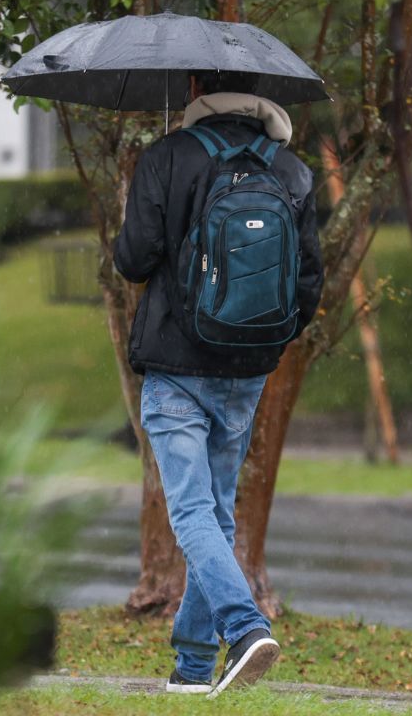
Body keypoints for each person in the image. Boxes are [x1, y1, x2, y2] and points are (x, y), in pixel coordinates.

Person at [113, 71, 324, 697]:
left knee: (191, 512)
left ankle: (243, 625)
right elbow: (307, 284)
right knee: (217, 517)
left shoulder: (168, 156)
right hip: (247, 370)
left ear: (200, 90)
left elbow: (132, 259)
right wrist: (259, 340)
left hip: (177, 366)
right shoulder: (291, 171)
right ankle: (194, 668)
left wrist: (151, 191)